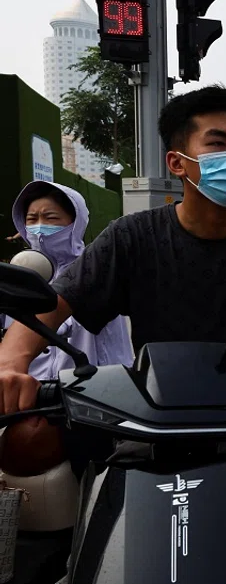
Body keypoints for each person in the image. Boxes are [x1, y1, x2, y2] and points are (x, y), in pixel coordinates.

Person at [0, 86, 226, 584]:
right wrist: (9, 364)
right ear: (179, 161)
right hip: (146, 428)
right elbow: (50, 305)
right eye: (219, 143)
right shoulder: (133, 237)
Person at [0, 182, 134, 476]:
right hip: (26, 401)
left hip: (91, 400)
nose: (38, 229)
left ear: (75, 223)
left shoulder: (94, 272)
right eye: (32, 219)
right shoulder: (20, 273)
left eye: (51, 219)